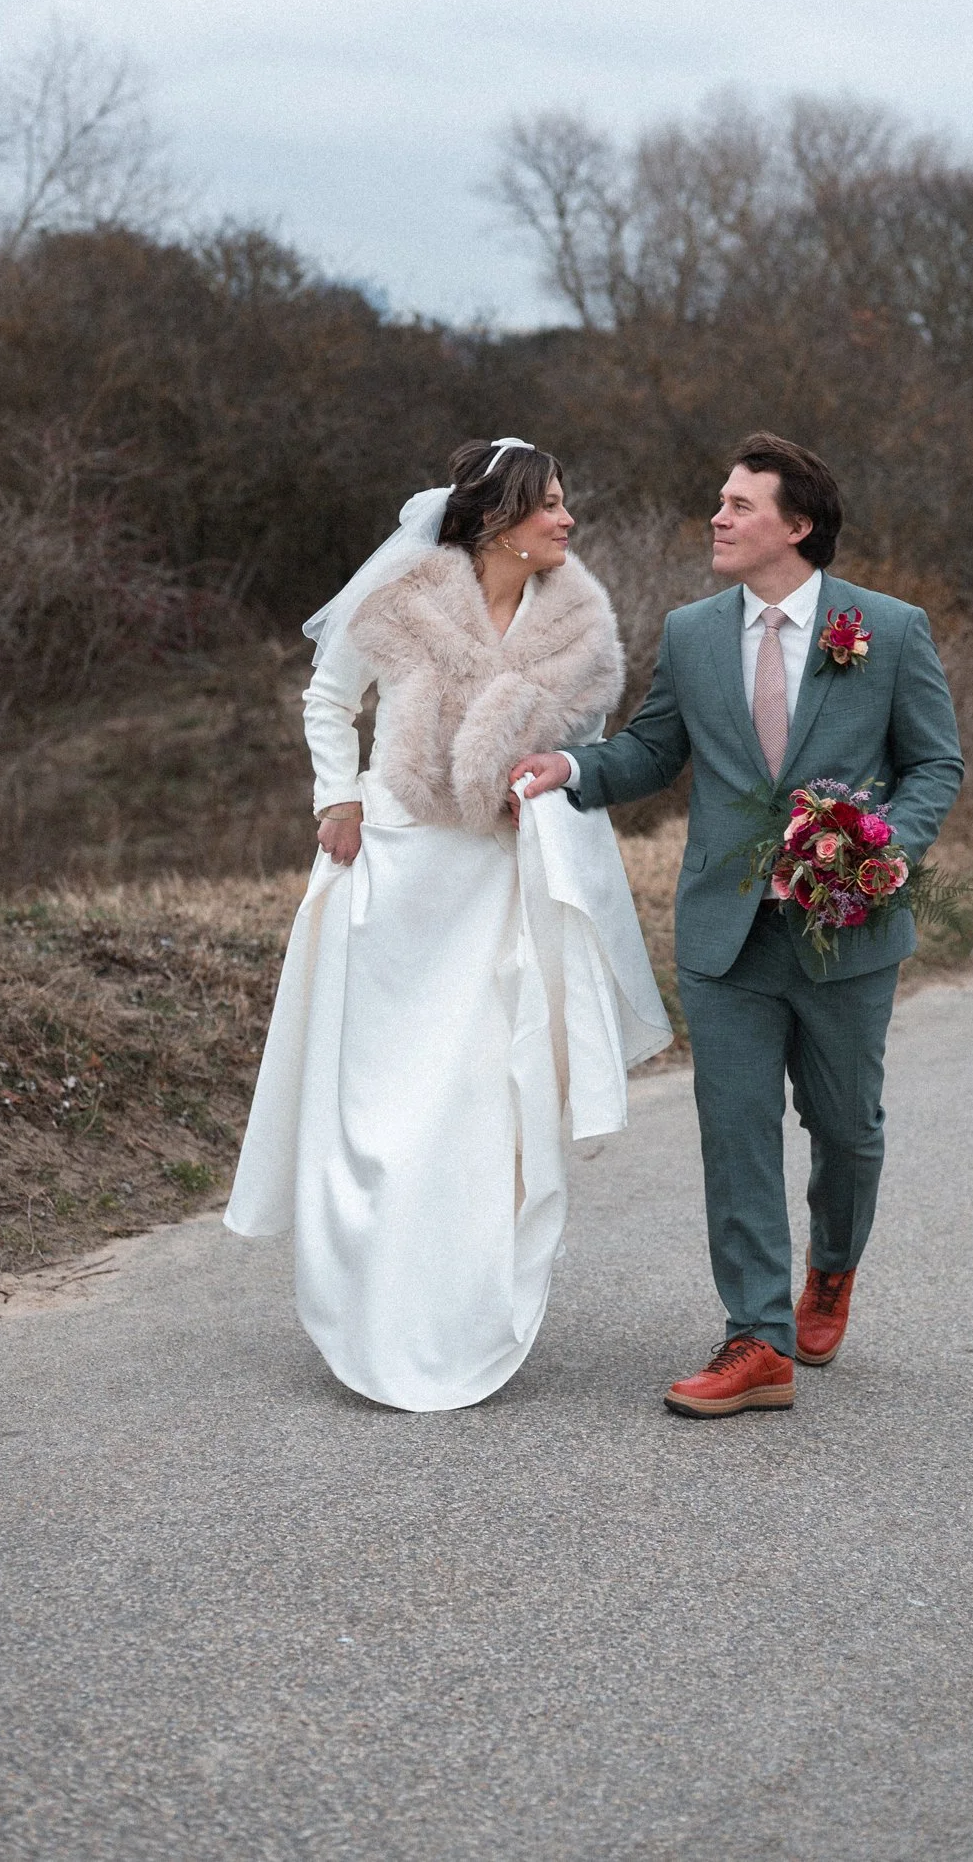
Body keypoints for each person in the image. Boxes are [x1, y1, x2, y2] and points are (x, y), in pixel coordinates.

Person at [512, 432, 963, 1418]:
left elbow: (935, 763)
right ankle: (754, 1339)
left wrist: (880, 845)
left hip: (845, 929)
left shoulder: (886, 630)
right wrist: (575, 770)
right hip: (724, 934)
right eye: (718, 500)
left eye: (739, 504)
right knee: (733, 1131)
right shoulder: (689, 632)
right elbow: (650, 749)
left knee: (845, 1129)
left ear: (795, 527)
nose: (716, 516)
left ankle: (831, 1266)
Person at [225, 438, 671, 1411]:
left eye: (564, 502)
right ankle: (365, 1296)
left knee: (477, 1095)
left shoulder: (583, 627)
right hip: (391, 869)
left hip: (495, 880)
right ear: (493, 521)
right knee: (378, 1099)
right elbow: (329, 697)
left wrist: (543, 790)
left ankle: (464, 1307)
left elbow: (583, 753)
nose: (566, 520)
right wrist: (333, 798)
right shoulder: (404, 596)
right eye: (548, 505)